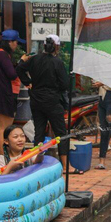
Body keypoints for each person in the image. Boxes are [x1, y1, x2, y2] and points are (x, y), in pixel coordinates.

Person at [16, 35, 73, 172]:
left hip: (36, 100)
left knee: (39, 132)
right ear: (57, 47)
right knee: (61, 133)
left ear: (43, 46)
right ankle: (65, 166)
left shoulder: (34, 59)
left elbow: (19, 69)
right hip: (53, 102)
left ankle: (37, 163)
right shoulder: (57, 62)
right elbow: (65, 84)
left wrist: (28, 83)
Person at [0, 29, 25, 155]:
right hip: (5, 94)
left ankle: (3, 155)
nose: (17, 45)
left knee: (3, 128)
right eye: (16, 42)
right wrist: (21, 62)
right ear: (10, 42)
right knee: (3, 128)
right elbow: (12, 74)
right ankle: (1, 157)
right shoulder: (2, 55)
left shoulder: (1, 54)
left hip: (1, 93)